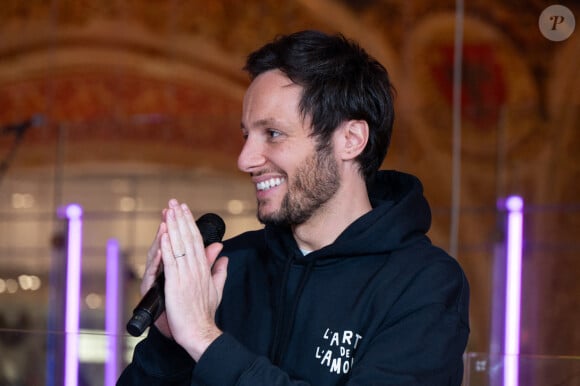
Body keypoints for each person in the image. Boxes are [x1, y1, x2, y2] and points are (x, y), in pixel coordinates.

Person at [118, 30, 470, 385]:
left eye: (272, 133)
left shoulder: (424, 284)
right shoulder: (228, 267)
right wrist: (169, 339)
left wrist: (204, 339)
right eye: (246, 136)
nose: (245, 160)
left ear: (350, 139)